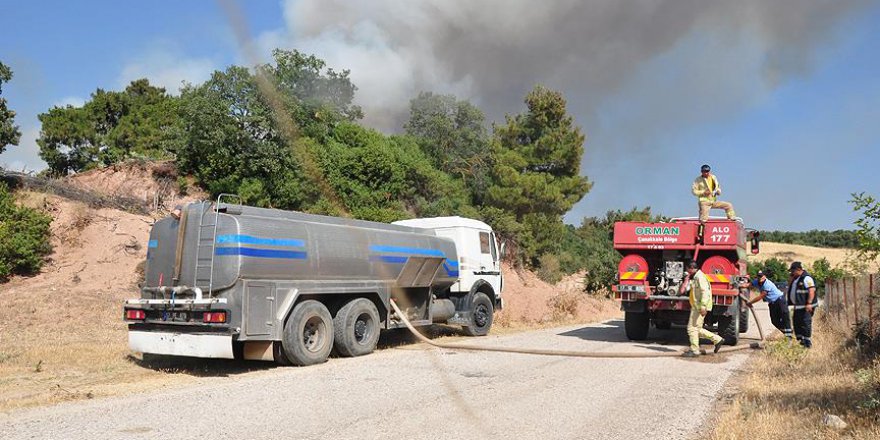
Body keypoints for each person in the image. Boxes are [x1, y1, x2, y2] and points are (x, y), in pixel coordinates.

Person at [681, 261, 725, 357]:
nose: (687, 271)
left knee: (691, 328)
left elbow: (705, 292)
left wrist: (703, 306)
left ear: (691, 268)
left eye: (687, 269)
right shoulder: (697, 277)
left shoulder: (700, 278)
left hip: (699, 307)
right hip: (698, 306)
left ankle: (694, 350)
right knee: (697, 329)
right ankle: (717, 339)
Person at [744, 270, 792, 339]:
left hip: (780, 300)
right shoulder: (756, 281)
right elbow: (748, 285)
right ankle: (787, 332)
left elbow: (761, 296)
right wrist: (739, 286)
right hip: (772, 303)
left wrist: (750, 302)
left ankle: (789, 337)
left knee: (785, 317)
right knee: (774, 321)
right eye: (759, 276)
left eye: (761, 276)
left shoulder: (767, 284)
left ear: (764, 277)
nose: (760, 278)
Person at [787, 261, 817, 348]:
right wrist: (791, 278)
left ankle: (807, 342)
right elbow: (789, 286)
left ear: (798, 269)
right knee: (796, 323)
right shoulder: (796, 279)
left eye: (792, 271)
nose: (791, 273)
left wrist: (809, 303)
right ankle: (801, 341)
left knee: (805, 323)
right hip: (798, 306)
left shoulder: (806, 278)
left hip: (806, 306)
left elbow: (812, 290)